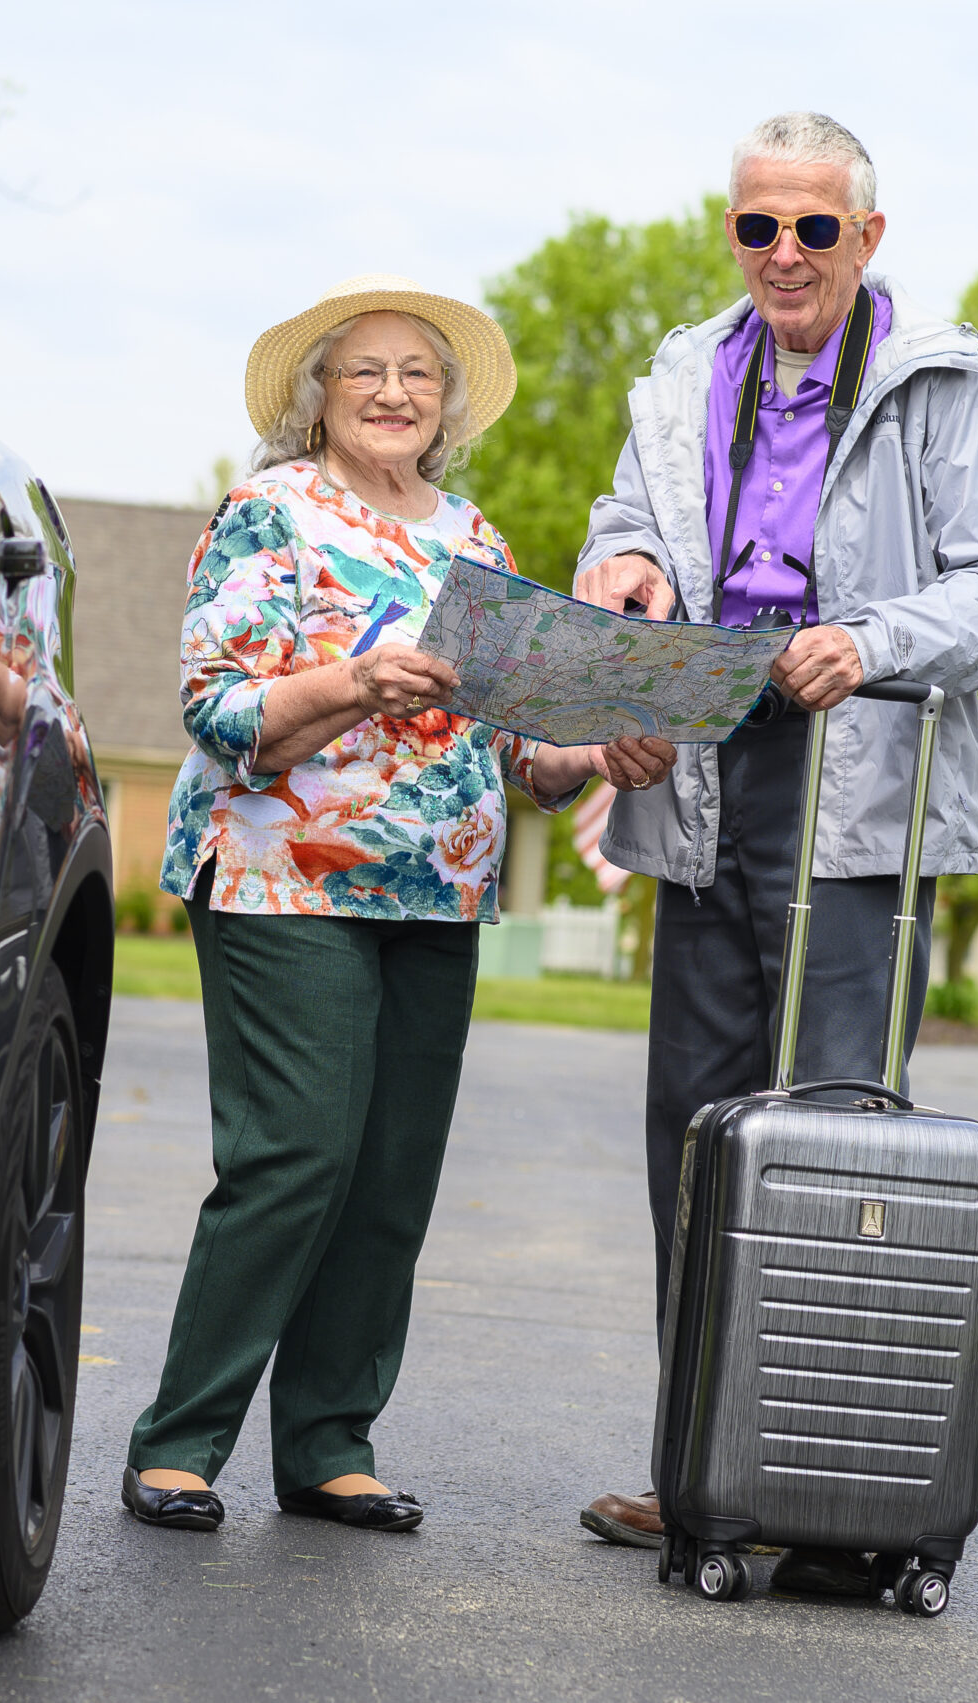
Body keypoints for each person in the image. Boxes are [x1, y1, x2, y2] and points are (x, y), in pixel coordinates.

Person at [568, 115, 978, 1593]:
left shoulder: (946, 384)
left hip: (859, 783)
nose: (784, 254)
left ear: (868, 238)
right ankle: (700, 1469)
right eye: (757, 227)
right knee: (697, 1141)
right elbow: (624, 521)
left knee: (840, 1139)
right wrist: (624, 563)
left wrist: (876, 637)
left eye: (814, 230)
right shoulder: (677, 371)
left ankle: (820, 1484)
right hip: (704, 761)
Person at [121, 276, 674, 1536]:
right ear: (315, 397)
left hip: (435, 889)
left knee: (387, 1177)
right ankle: (178, 1440)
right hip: (283, 875)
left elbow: (514, 747)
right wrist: (355, 678)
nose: (391, 391)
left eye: (417, 374)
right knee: (295, 1150)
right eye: (364, 370)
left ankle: (328, 1444)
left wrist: (595, 754)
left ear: (447, 405)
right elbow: (215, 710)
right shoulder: (269, 511)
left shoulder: (474, 540)